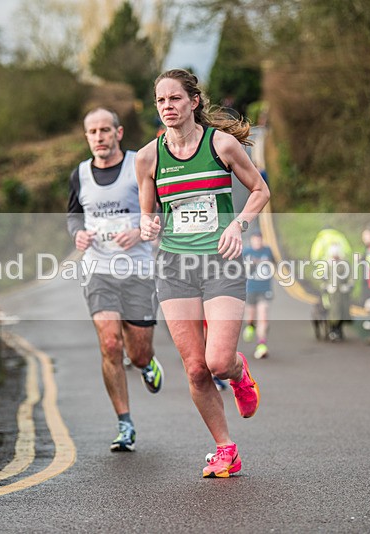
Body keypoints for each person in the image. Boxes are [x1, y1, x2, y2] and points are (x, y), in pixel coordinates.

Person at [136, 69, 270, 478]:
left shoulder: (222, 145)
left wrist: (238, 224)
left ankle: (237, 371)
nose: (167, 107)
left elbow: (261, 191)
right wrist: (148, 225)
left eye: (175, 99)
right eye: (160, 101)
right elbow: (148, 213)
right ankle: (225, 448)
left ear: (194, 102)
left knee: (216, 362)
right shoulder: (149, 157)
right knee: (195, 368)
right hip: (175, 267)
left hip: (221, 263)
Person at [67, 107, 164, 452]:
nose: (99, 138)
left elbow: (162, 211)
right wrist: (77, 236)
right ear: (87, 137)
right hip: (99, 270)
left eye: (105, 130)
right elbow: (74, 217)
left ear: (118, 133)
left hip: (137, 270)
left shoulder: (140, 164)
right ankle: (124, 424)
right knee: (110, 345)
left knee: (136, 353)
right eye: (92, 132)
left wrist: (140, 231)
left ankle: (147, 362)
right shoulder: (79, 174)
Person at [242, 231, 275, 358]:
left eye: (259, 239)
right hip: (250, 289)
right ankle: (250, 325)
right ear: (251, 240)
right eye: (255, 240)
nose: (257, 242)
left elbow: (275, 265)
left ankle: (262, 345)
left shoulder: (267, 251)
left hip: (264, 289)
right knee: (250, 316)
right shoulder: (246, 252)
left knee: (263, 316)